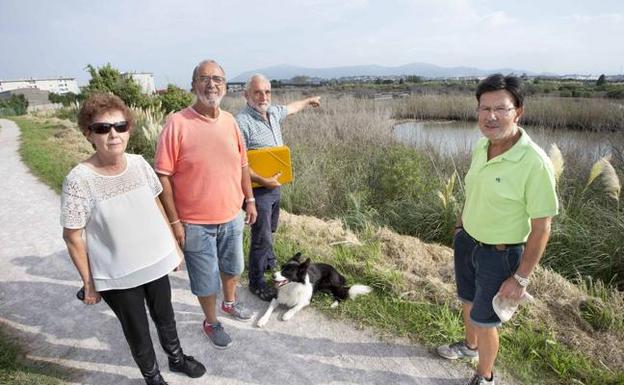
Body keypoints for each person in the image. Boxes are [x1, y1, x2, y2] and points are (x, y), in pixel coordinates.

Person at [61, 93, 206, 385]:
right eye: (103, 128)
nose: (113, 134)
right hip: (117, 274)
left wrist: (173, 248)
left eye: (120, 126)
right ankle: (152, 377)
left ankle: (176, 359)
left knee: (165, 316)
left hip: (153, 261)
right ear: (88, 133)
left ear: (129, 128)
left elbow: (156, 206)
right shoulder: (79, 180)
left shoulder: (139, 164)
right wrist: (89, 283)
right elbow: (73, 236)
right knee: (137, 329)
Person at [436, 74, 558, 385]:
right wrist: (462, 225)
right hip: (468, 243)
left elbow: (542, 226)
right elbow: (475, 190)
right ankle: (469, 347)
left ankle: (485, 376)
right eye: (484, 108)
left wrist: (520, 278)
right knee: (466, 301)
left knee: (485, 320)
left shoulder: (535, 162)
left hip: (500, 255)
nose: (491, 116)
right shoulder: (482, 146)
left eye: (501, 109)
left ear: (518, 111)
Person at [154, 59, 257, 350]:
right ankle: (211, 321)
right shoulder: (177, 123)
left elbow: (243, 165)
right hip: (195, 223)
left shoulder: (231, 122)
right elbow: (163, 177)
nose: (211, 84)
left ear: (225, 86)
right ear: (194, 85)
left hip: (232, 216)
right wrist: (174, 223)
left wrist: (249, 200)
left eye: (217, 79)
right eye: (204, 78)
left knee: (233, 267)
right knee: (204, 280)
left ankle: (229, 303)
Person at [235, 74, 321, 301]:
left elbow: (291, 108)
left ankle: (269, 261)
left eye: (267, 92)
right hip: (257, 191)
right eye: (257, 92)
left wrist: (308, 100)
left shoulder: (272, 113)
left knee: (270, 228)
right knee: (260, 236)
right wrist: (263, 180)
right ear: (246, 95)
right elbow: (237, 162)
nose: (263, 96)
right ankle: (256, 282)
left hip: (274, 187)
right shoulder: (241, 122)